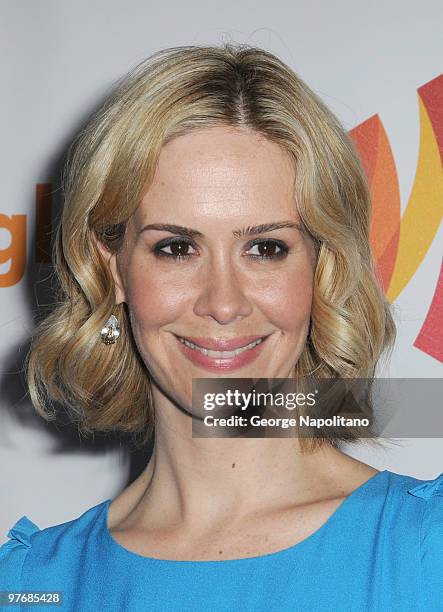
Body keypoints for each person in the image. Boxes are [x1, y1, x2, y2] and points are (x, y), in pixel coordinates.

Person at [0, 43, 441, 612]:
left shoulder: (423, 553)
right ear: (112, 270)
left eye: (265, 247)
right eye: (177, 247)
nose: (224, 304)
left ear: (320, 265)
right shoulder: (31, 586)